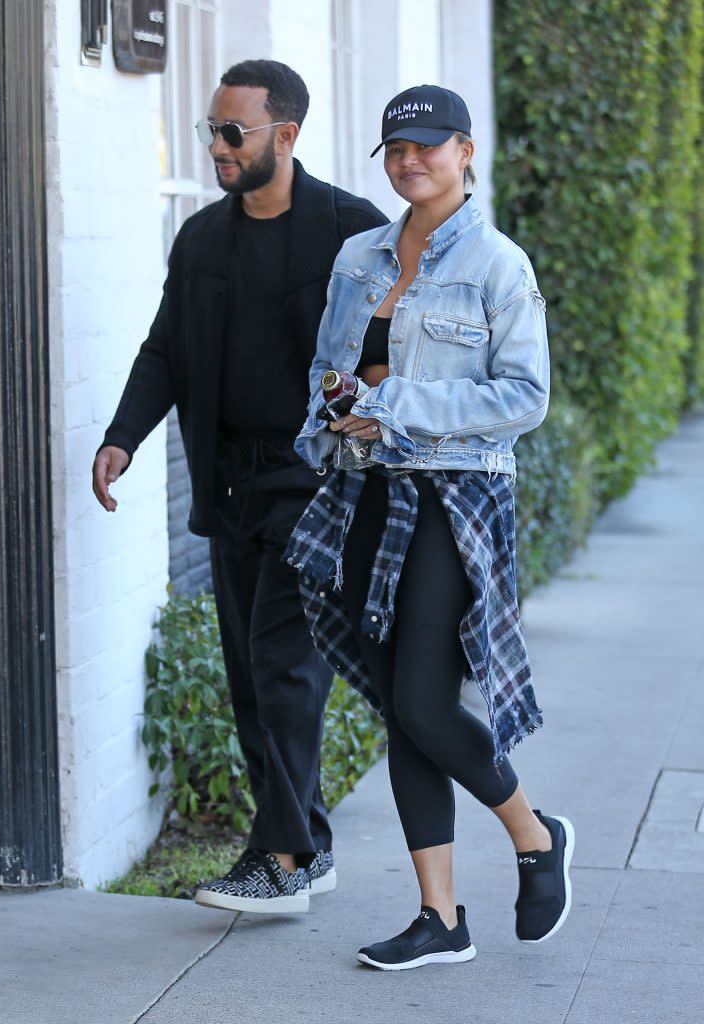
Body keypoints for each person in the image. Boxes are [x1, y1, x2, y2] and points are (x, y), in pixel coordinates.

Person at [286, 85, 574, 968]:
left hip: (452, 497)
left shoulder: (497, 265)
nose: (411, 161)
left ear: (466, 149)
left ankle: (535, 836)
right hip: (364, 489)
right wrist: (332, 417)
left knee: (420, 700)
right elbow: (330, 367)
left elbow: (524, 397)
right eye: (397, 149)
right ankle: (441, 918)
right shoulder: (357, 256)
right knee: (407, 715)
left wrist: (394, 404)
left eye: (429, 145)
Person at [92, 60, 387, 914]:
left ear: (284, 136)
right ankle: (306, 845)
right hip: (232, 487)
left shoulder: (351, 230)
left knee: (284, 665)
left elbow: (398, 351)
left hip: (318, 482)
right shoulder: (201, 241)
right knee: (251, 676)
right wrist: (122, 435)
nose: (218, 148)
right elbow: (164, 350)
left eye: (233, 133)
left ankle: (284, 860)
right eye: (211, 132)